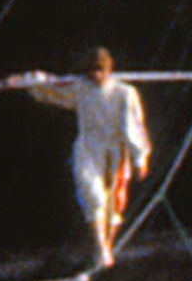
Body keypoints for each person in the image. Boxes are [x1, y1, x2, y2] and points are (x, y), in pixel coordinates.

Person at [11, 50, 152, 263]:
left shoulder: (124, 93)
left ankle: (108, 244)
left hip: (114, 149)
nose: (96, 76)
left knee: (112, 201)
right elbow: (49, 83)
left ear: (109, 69)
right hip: (88, 146)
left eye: (100, 71)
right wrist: (21, 81)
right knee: (92, 195)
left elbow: (133, 125)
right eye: (92, 71)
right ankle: (100, 247)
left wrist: (139, 157)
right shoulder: (80, 87)